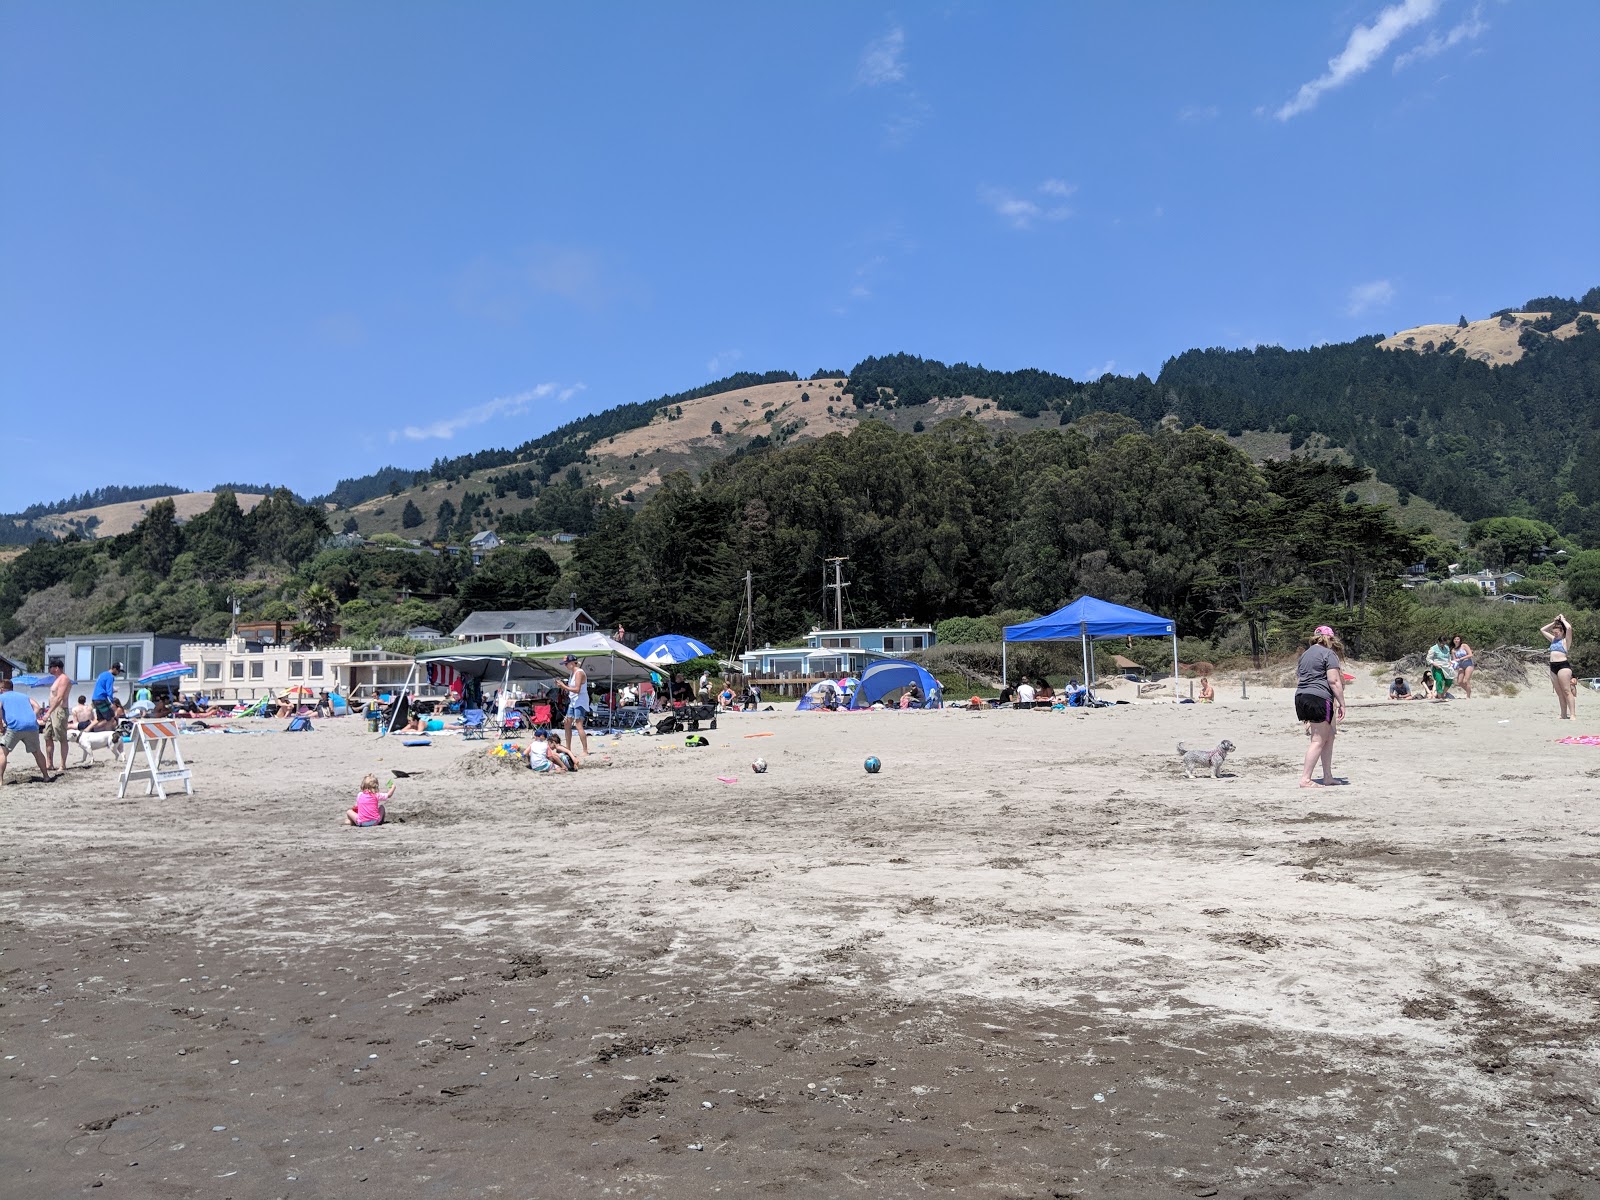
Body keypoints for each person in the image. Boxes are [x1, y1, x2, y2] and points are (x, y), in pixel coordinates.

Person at [1295, 624, 1346, 789]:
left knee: (1329, 735)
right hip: (1319, 697)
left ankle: (1327, 776)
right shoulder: (1328, 654)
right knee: (1318, 740)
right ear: (1329, 639)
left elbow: (1299, 679)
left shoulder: (1304, 655)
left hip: (1302, 697)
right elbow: (1334, 680)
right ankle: (1305, 779)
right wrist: (1342, 703)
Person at [0, 678, 53, 785]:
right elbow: (37, 707)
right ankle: (46, 776)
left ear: (2, 689)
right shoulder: (24, 696)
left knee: (2, 752)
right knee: (37, 752)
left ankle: (0, 781)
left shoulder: (1, 697)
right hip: (32, 726)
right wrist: (30, 717)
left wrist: (1, 727)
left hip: (14, 726)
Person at [1540, 614, 1578, 720]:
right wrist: (1554, 622)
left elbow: (1569, 628)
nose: (1555, 634)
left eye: (1557, 632)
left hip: (1563, 666)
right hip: (1553, 666)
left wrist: (1563, 620)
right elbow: (1542, 630)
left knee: (1566, 691)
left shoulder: (1565, 641)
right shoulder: (1553, 639)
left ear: (1562, 632)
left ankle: (1573, 714)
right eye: (1554, 632)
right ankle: (1563, 714)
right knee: (1559, 692)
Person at [42, 658, 73, 773]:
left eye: (50, 667)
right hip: (52, 710)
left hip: (59, 711)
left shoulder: (64, 679)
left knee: (61, 737)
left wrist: (49, 712)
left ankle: (63, 765)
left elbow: (60, 697)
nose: (49, 669)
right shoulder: (57, 679)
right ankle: (49, 764)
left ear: (56, 668)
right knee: (47, 736)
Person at [558, 653, 590, 757]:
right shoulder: (573, 672)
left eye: (566, 663)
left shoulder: (579, 673)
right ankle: (568, 748)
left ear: (572, 663)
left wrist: (564, 686)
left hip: (580, 700)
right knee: (567, 723)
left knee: (578, 724)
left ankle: (585, 750)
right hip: (573, 701)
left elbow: (577, 690)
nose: (565, 666)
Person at [1425, 635, 1456, 700]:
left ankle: (1443, 693)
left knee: (1449, 680)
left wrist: (1450, 661)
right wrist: (1434, 664)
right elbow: (1428, 658)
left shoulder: (1447, 648)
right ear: (1439, 642)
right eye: (1442, 643)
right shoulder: (1433, 648)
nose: (1443, 644)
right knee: (1439, 680)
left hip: (1446, 666)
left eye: (1444, 643)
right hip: (1437, 666)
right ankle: (1440, 696)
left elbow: (1448, 656)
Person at [1450, 635, 1475, 699]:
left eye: (1458, 639)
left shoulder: (1464, 646)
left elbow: (1470, 655)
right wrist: (1453, 664)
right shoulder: (1453, 650)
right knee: (1460, 682)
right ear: (1453, 640)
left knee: (1466, 681)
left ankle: (1468, 696)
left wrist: (1461, 658)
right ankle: (1468, 690)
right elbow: (1455, 660)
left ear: (1460, 640)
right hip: (1460, 666)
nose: (1456, 640)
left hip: (1468, 664)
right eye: (1455, 639)